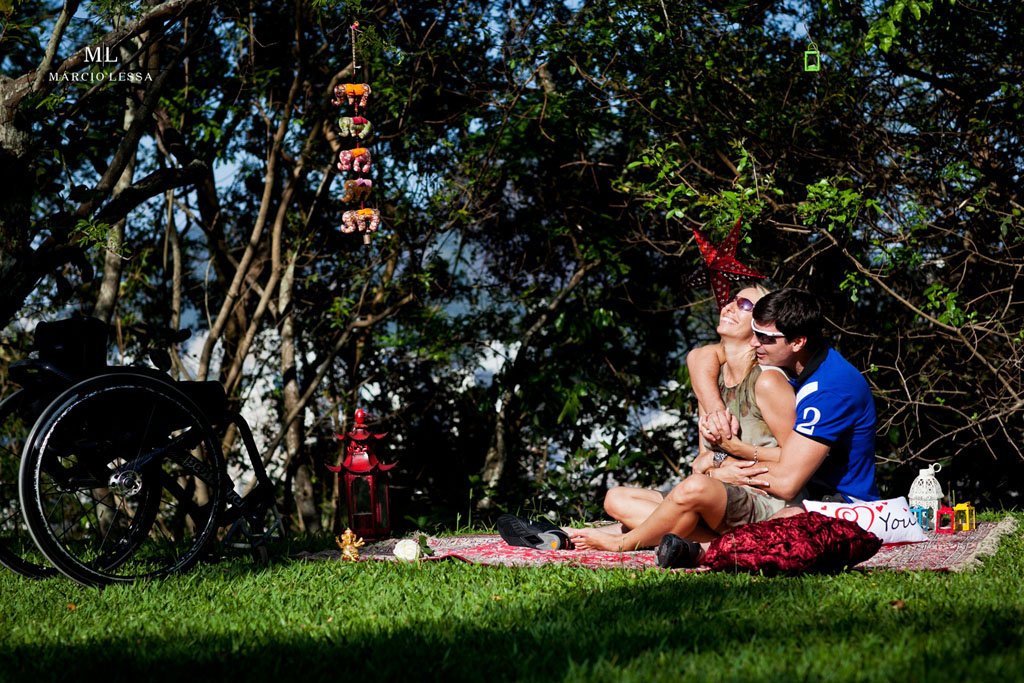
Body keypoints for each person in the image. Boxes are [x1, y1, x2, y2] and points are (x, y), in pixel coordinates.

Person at [567, 287, 879, 567]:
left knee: (701, 494)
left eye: (765, 338)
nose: (755, 342)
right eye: (754, 331)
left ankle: (627, 541)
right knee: (624, 500)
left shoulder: (829, 389)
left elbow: (787, 482)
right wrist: (716, 418)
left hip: (831, 505)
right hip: (764, 490)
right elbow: (702, 356)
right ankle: (679, 539)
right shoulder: (786, 361)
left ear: (798, 342)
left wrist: (725, 460)